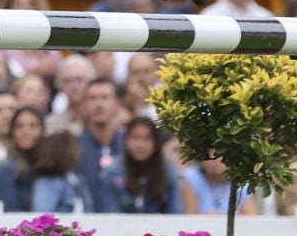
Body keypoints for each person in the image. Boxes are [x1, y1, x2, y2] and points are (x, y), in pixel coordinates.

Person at [76, 80, 126, 211]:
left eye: (105, 98)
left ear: (118, 104)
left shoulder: (130, 145)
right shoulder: (74, 148)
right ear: (84, 105)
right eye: (93, 98)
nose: (99, 104)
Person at [118, 117, 183, 214]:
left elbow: (175, 214)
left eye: (147, 138)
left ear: (156, 142)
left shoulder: (169, 172)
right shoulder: (113, 172)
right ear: (126, 141)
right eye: (135, 138)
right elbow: (109, 215)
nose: (140, 145)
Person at [0, 106, 45, 212]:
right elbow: (10, 214)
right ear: (12, 132)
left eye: (33, 126)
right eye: (19, 126)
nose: (26, 131)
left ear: (42, 130)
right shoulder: (5, 172)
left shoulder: (51, 169)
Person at [178, 155, 257, 219]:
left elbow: (250, 217)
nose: (215, 161)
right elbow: (190, 216)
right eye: (211, 156)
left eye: (220, 156)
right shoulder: (192, 177)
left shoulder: (242, 182)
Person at [29, 131, 86, 215]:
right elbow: (42, 218)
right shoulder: (48, 183)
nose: (78, 152)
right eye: (73, 148)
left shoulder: (75, 178)